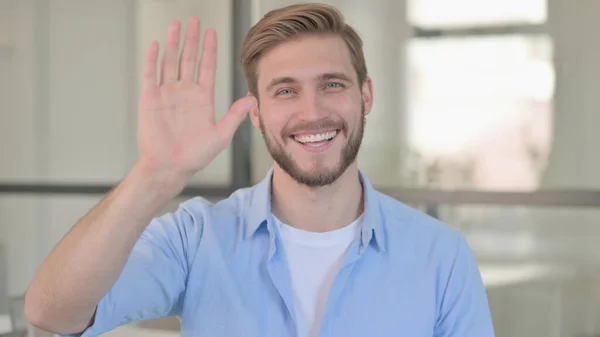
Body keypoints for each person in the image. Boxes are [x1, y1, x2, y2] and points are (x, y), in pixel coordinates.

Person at [24, 3, 495, 337]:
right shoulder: (196, 238)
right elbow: (52, 312)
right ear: (256, 112)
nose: (312, 112)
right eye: (285, 91)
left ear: (365, 95)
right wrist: (153, 175)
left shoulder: (441, 257)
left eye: (331, 84)